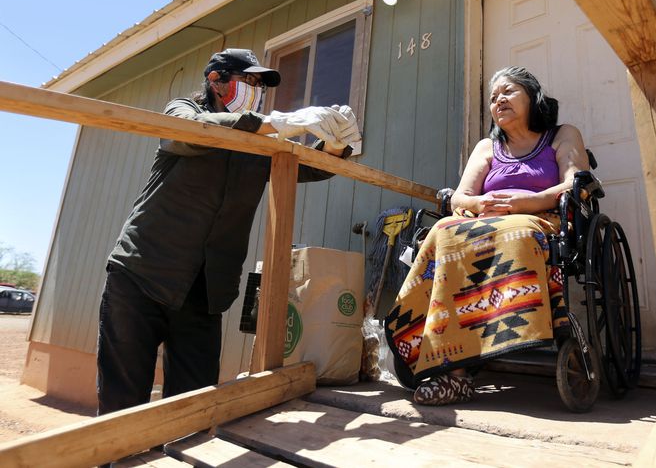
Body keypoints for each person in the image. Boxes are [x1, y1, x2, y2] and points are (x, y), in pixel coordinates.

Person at [97, 48, 361, 415]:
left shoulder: (259, 148)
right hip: (141, 275)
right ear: (215, 80)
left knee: (194, 408)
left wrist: (336, 141)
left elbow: (311, 167)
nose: (255, 90)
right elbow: (194, 131)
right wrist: (281, 122)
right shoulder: (184, 112)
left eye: (259, 85)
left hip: (204, 292)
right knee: (121, 405)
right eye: (247, 80)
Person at [384, 65, 589, 406]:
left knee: (518, 233)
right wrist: (479, 203)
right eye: (493, 98)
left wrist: (527, 202)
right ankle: (451, 369)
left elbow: (575, 183)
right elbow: (459, 198)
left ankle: (470, 357)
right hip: (486, 222)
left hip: (540, 219)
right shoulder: (487, 147)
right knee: (443, 231)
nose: (499, 101)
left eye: (508, 92)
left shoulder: (562, 135)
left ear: (532, 97)